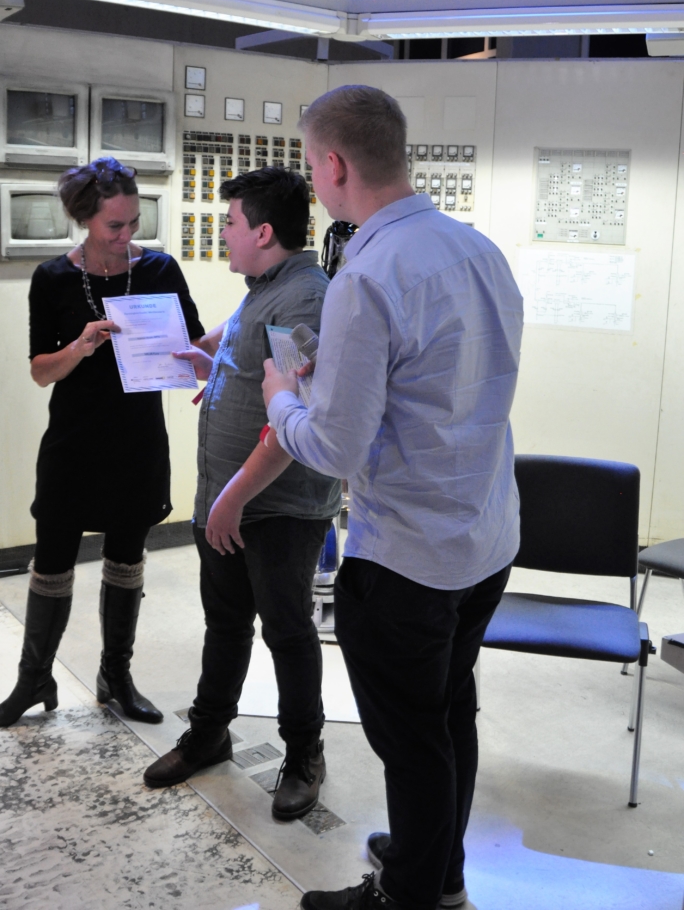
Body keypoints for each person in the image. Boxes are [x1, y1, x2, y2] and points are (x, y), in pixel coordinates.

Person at [262, 86, 524, 910]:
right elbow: (441, 387)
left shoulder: (368, 275)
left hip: (406, 557)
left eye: (312, 167)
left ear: (335, 165)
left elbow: (335, 448)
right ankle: (436, 869)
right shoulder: (478, 249)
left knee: (412, 741)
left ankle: (407, 895)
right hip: (484, 539)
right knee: (447, 716)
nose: (314, 182)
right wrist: (332, 382)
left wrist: (282, 397)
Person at [143, 167, 340, 822]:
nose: (222, 232)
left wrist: (230, 500)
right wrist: (211, 362)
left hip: (276, 507)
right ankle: (208, 734)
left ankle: (304, 754)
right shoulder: (265, 289)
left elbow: (296, 416)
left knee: (287, 630)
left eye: (229, 223)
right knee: (226, 624)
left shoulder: (304, 300)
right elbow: (249, 354)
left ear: (262, 232)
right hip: (227, 499)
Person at [0, 157, 205, 729]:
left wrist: (200, 358)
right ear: (84, 219)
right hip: (73, 441)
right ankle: (34, 678)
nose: (126, 234)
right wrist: (81, 346)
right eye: (115, 225)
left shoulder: (160, 269)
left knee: (126, 557)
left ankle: (116, 675)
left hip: (137, 441)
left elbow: (193, 343)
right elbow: (41, 371)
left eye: (134, 221)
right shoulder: (53, 278)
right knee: (52, 559)